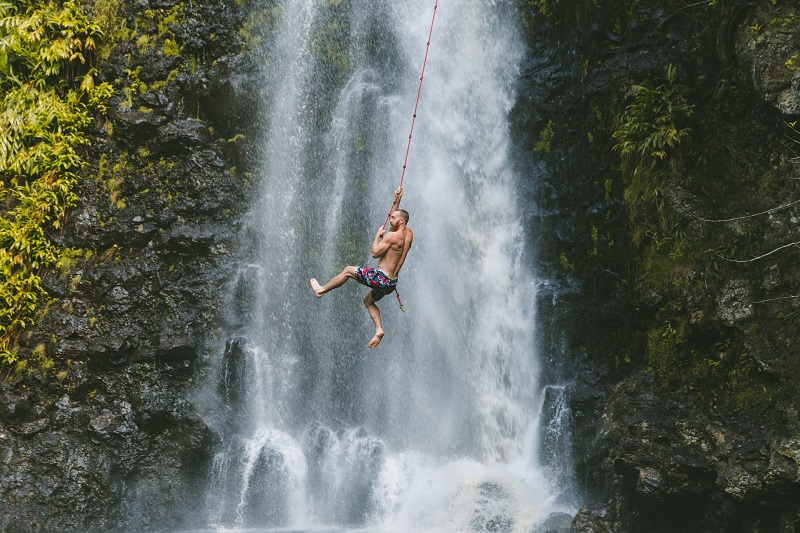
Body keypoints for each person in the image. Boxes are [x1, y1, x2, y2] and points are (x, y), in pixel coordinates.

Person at [310, 187, 413, 348]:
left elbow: (375, 253)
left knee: (347, 270)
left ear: (401, 221)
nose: (389, 219)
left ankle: (321, 290)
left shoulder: (391, 237)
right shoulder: (408, 234)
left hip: (381, 278)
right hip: (391, 284)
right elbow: (396, 222)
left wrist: (377, 236)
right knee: (368, 301)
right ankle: (379, 329)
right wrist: (397, 200)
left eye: (392, 218)